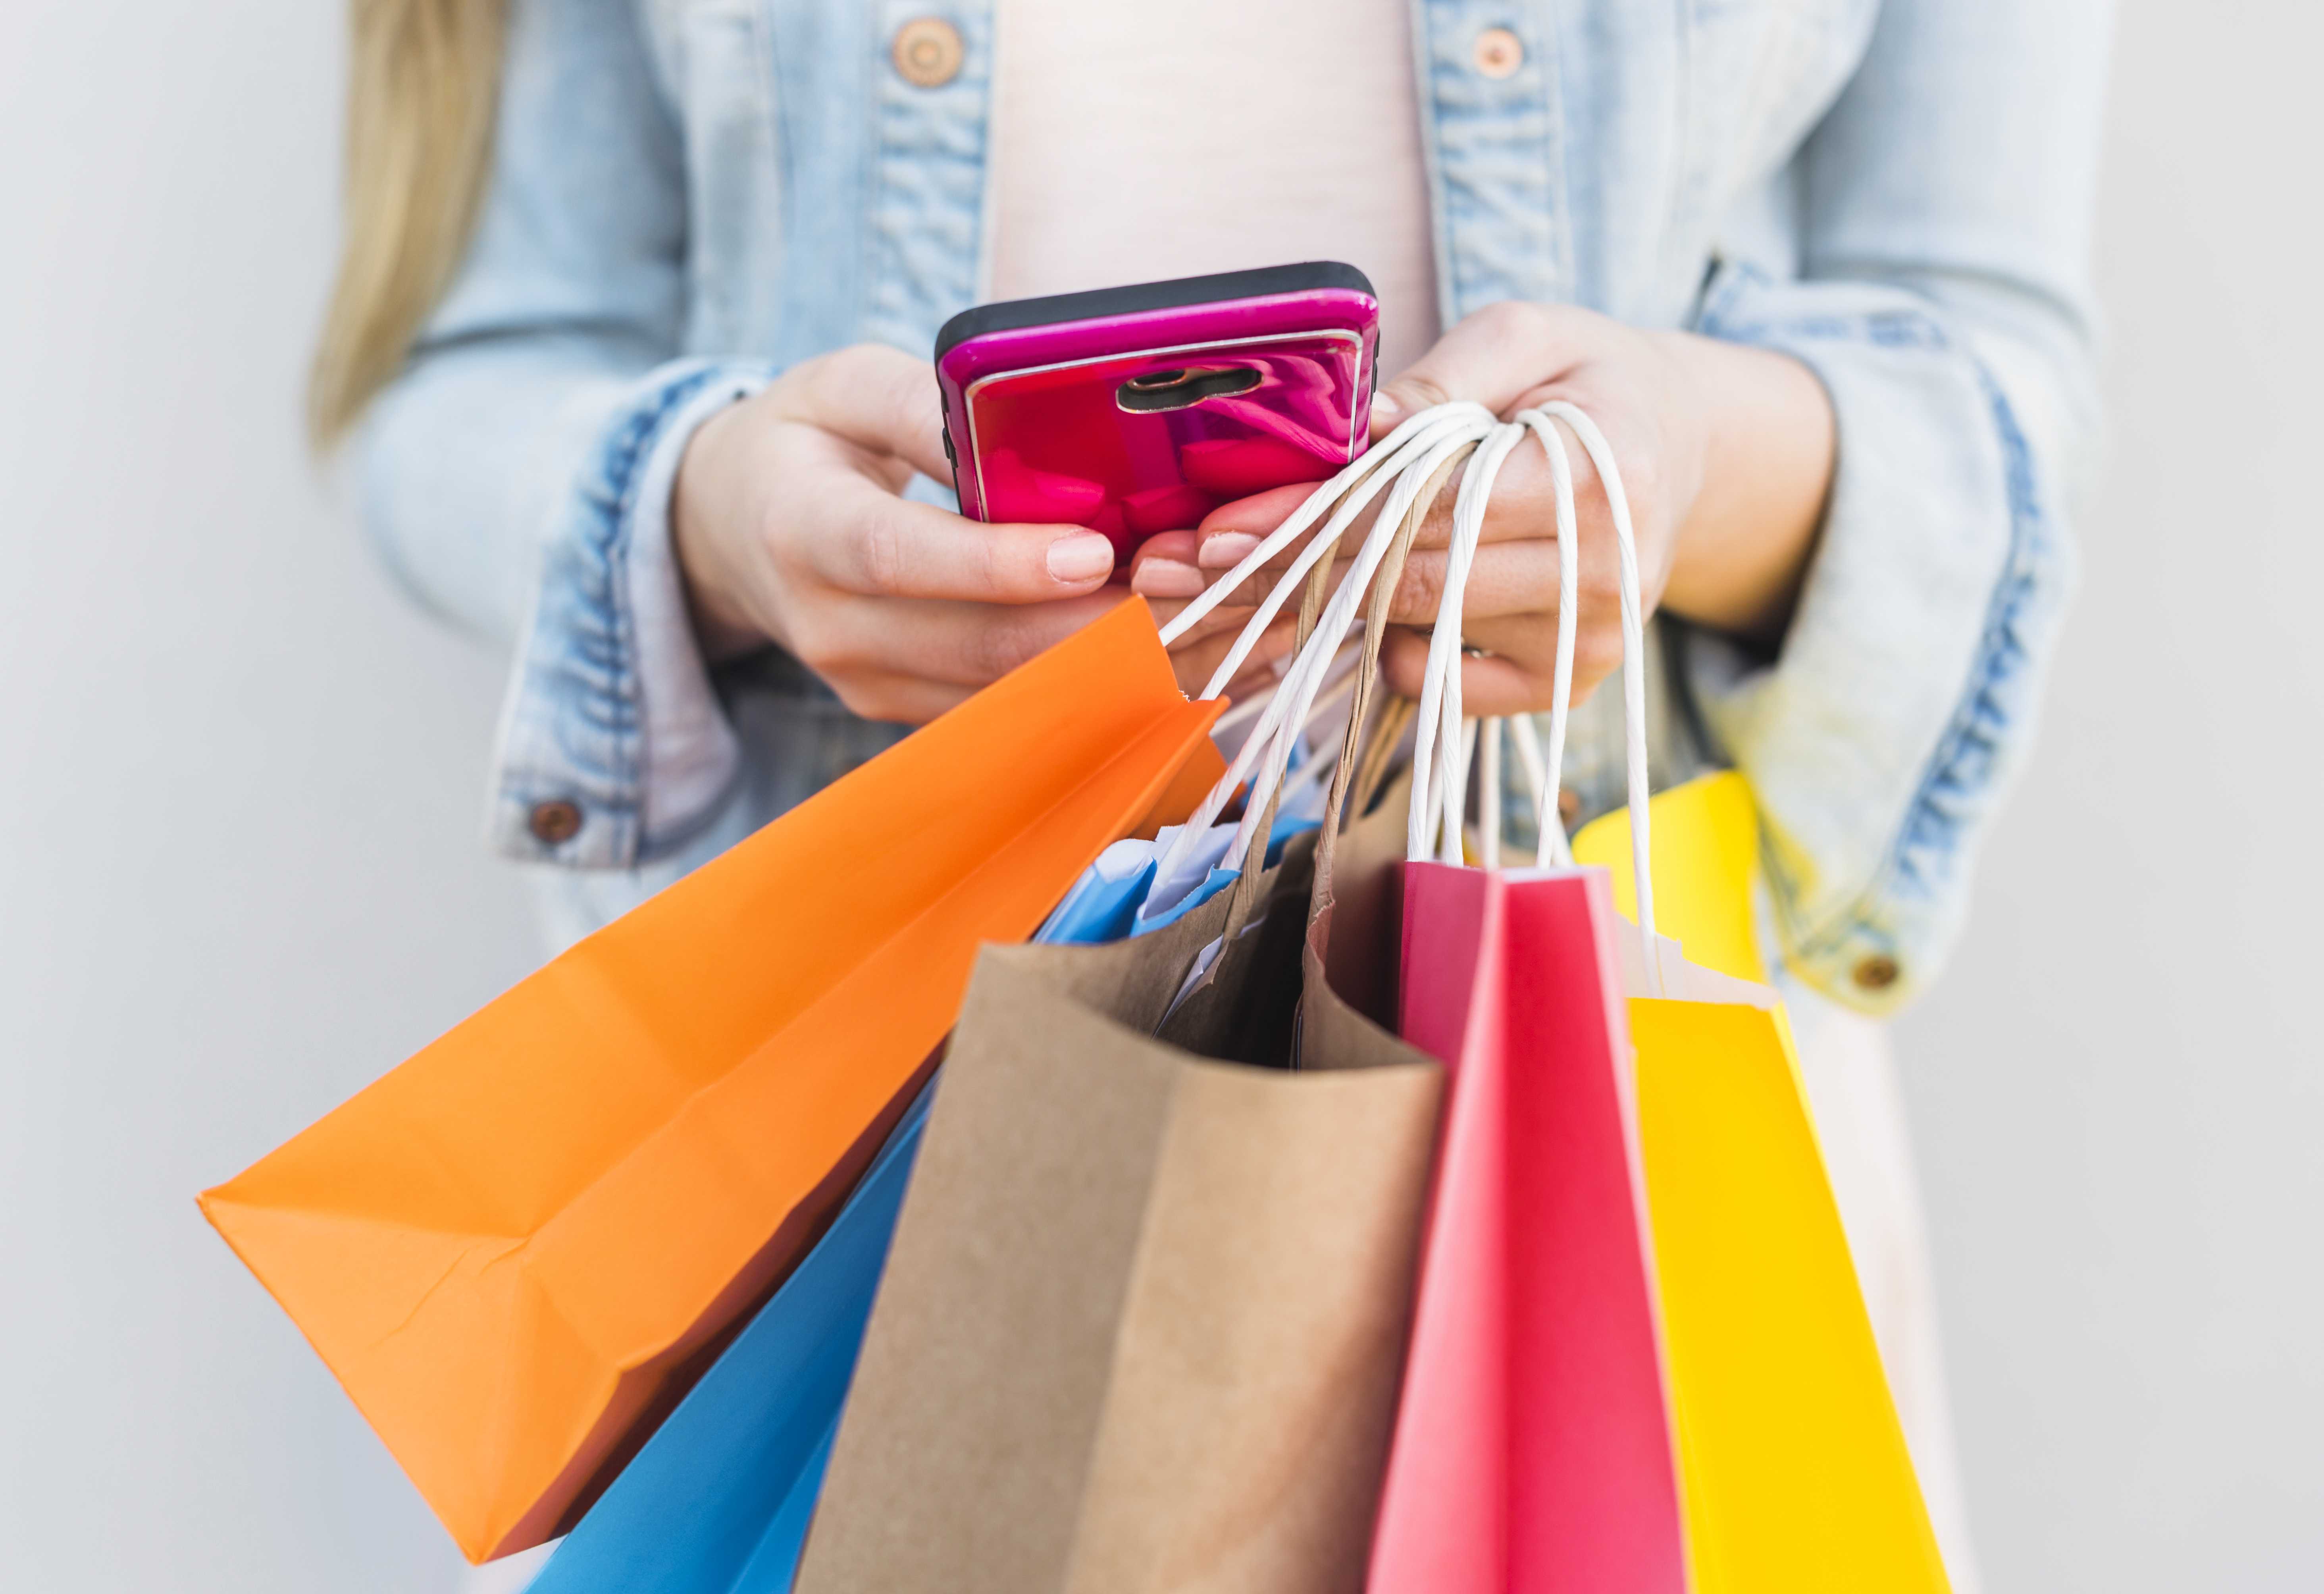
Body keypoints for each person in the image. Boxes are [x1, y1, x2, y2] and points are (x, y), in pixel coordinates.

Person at [318, 2, 2112, 1586]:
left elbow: (1988, 352)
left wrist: (1684, 458)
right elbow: (475, 366)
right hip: (845, 1139)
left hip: (1589, 1091)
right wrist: (709, 505)